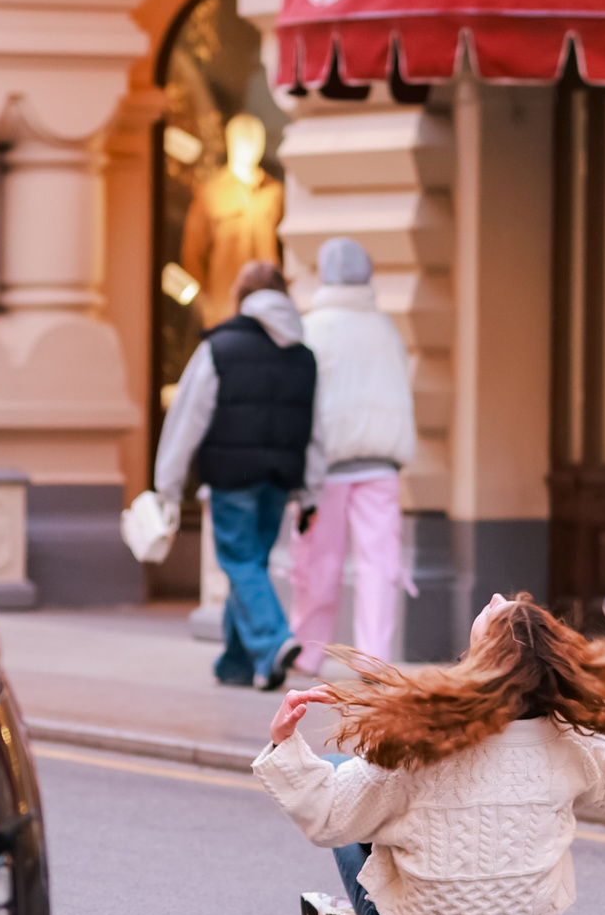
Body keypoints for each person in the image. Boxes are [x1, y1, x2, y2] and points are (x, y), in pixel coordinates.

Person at [256, 588, 605, 915]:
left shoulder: (426, 735)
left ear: (484, 654)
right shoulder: (569, 742)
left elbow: (329, 816)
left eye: (495, 610)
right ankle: (376, 914)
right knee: (387, 801)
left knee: (343, 779)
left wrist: (283, 743)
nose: (495, 597)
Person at [153, 259, 315, 690]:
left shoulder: (219, 347)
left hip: (231, 477)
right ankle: (236, 665)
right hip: (279, 480)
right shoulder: (303, 356)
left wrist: (168, 485)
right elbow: (315, 429)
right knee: (250, 565)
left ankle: (274, 641)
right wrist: (310, 491)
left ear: (241, 296)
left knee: (240, 563)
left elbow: (187, 418)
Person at [290, 237, 416, 668]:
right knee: (380, 566)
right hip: (382, 463)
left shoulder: (312, 328)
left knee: (318, 563)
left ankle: (308, 653)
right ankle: (373, 661)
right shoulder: (385, 328)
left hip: (327, 465)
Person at [180, 113, 285, 305]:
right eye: (242, 138)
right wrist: (204, 302)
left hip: (267, 300)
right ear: (230, 142)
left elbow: (286, 249)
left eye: (254, 138)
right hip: (224, 302)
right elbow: (193, 254)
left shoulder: (274, 193)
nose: (249, 144)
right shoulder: (211, 194)